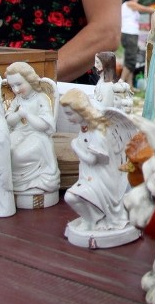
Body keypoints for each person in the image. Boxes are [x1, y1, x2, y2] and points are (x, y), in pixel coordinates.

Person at [60, 89, 140, 247]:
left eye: (69, 114)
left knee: (71, 196)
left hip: (103, 178)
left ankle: (99, 220)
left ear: (80, 110)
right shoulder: (85, 127)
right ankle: (93, 221)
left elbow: (93, 159)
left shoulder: (99, 131)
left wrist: (75, 146)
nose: (67, 118)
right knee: (72, 197)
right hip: (89, 175)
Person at [4, 61, 60, 206]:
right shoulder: (18, 100)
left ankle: (30, 183)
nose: (15, 90)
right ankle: (10, 184)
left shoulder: (41, 98)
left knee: (19, 155)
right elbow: (9, 120)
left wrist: (27, 115)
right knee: (4, 149)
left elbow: (46, 125)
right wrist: (18, 115)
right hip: (19, 132)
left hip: (37, 136)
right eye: (12, 86)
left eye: (19, 84)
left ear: (29, 80)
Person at [120, 0, 155, 88]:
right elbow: (145, 9)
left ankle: (130, 85)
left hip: (131, 33)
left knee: (129, 60)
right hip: (129, 34)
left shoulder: (128, 7)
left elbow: (132, 20)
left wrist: (142, 27)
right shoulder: (129, 4)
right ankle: (120, 83)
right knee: (131, 60)